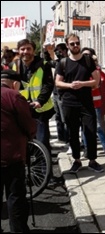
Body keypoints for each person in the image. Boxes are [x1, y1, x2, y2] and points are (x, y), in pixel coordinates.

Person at [55, 33, 104, 173]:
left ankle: (92, 160)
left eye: (77, 43)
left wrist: (82, 84)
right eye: (72, 44)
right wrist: (70, 85)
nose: (76, 46)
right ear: (68, 46)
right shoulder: (63, 63)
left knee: (90, 130)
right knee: (72, 132)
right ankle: (76, 160)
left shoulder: (87, 60)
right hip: (69, 102)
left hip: (86, 102)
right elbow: (58, 82)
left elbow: (97, 81)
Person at [1, 69, 37, 233]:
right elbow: (27, 124)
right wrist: (31, 134)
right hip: (11, 154)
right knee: (15, 196)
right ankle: (18, 230)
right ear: (14, 84)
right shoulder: (14, 96)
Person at [12, 39, 55, 156]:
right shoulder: (15, 66)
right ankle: (31, 171)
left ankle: (46, 172)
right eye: (22, 49)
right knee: (24, 142)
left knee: (42, 142)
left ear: (33, 51)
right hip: (22, 109)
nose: (25, 52)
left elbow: (48, 85)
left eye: (28, 49)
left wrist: (39, 101)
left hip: (40, 109)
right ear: (18, 51)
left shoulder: (43, 65)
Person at [81, 47, 105, 161]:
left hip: (96, 103)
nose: (86, 58)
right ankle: (86, 149)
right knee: (85, 128)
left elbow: (97, 84)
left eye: (88, 55)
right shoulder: (79, 69)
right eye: (84, 55)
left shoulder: (96, 70)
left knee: (98, 127)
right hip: (83, 103)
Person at [53, 43, 69, 144]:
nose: (58, 54)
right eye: (56, 52)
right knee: (58, 116)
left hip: (63, 93)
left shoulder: (67, 62)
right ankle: (61, 137)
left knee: (65, 118)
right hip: (55, 93)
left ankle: (68, 139)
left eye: (59, 51)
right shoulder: (58, 62)